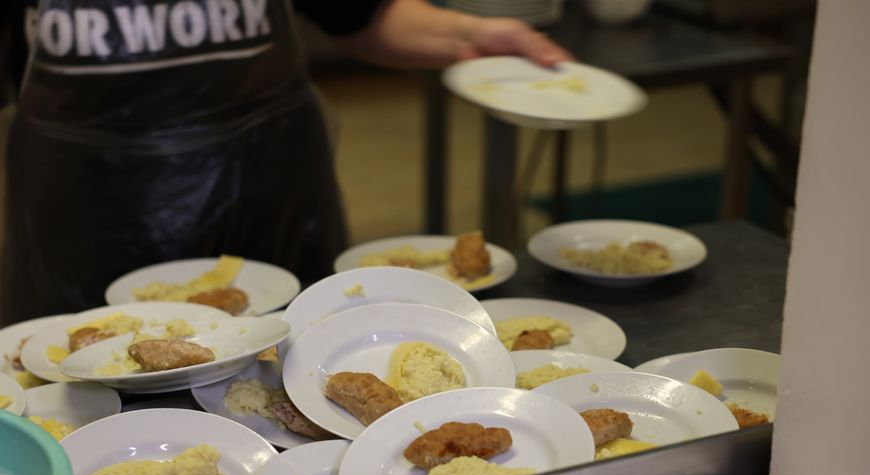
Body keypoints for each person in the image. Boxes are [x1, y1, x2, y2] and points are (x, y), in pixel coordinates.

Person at [0, 0, 573, 326]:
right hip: (82, 220)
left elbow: (364, 16)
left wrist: (473, 37)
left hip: (268, 198)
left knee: (288, 395)